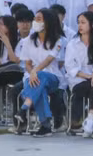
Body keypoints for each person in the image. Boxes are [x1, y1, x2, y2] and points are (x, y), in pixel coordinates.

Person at [16, 9, 66, 137]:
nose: (34, 22)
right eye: (35, 19)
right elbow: (27, 63)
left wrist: (34, 71)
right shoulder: (28, 41)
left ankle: (24, 107)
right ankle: (45, 125)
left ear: (47, 22)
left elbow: (49, 60)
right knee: (40, 88)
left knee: (41, 77)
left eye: (38, 19)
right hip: (32, 77)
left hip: (52, 77)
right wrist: (32, 72)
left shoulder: (57, 41)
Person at [66, 11, 93, 137]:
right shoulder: (72, 43)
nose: (80, 26)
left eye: (83, 22)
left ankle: (90, 117)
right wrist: (90, 76)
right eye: (78, 23)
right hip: (78, 81)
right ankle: (91, 119)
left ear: (92, 25)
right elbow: (70, 67)